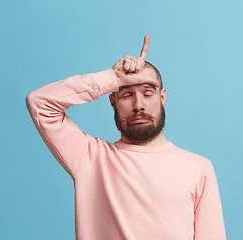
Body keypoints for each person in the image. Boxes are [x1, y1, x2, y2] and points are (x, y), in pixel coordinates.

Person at [25, 35, 226, 240]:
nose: (139, 105)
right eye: (127, 95)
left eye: (147, 93)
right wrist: (111, 78)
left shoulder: (199, 168)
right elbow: (40, 104)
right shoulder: (91, 159)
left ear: (162, 98)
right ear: (112, 102)